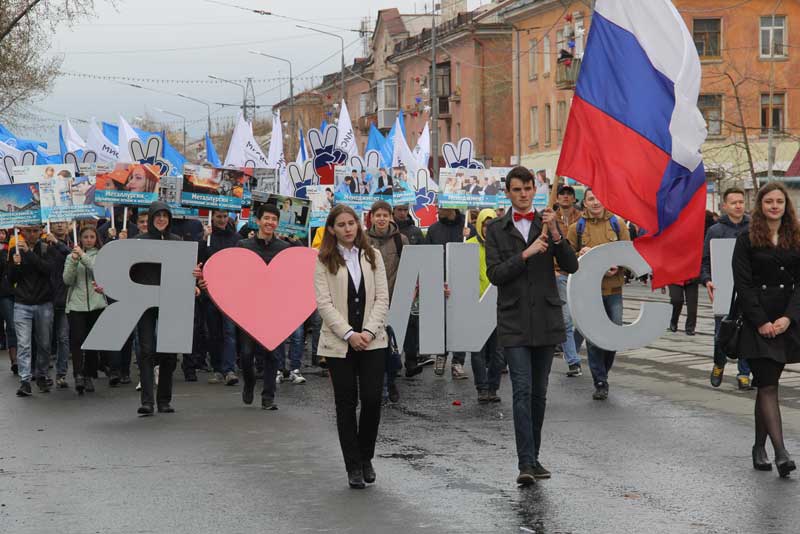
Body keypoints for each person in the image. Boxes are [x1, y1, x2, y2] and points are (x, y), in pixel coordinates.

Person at [485, 166, 578, 486]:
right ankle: (525, 462)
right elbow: (495, 274)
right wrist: (525, 254)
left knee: (539, 394)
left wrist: (554, 234)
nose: (523, 194)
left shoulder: (547, 221)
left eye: (528, 189)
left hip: (546, 319)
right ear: (508, 192)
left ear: (534, 191)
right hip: (513, 320)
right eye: (517, 189)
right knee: (521, 390)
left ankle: (534, 458)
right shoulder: (496, 228)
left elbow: (572, 264)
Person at [314, 204, 390, 489]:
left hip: (373, 340)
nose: (348, 228)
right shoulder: (324, 259)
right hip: (339, 344)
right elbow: (324, 304)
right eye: (341, 224)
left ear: (359, 225)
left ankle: (365, 455)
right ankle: (353, 466)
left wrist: (368, 331)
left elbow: (382, 297)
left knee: (371, 400)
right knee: (346, 404)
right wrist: (349, 334)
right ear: (332, 229)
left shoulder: (373, 256)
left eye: (352, 223)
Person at [732, 182, 798, 477]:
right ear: (760, 205)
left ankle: (759, 446)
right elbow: (742, 284)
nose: (774, 206)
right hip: (756, 320)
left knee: (767, 382)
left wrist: (789, 318)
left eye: (779, 202)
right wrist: (760, 321)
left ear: (786, 206)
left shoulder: (795, 236)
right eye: (769, 201)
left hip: (786, 320)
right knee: (768, 384)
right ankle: (781, 453)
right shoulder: (746, 238)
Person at [567, 189, 630, 400]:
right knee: (593, 338)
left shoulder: (617, 224)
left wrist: (618, 267)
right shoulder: (576, 228)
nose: (595, 202)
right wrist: (579, 255)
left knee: (615, 334)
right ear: (584, 203)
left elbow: (629, 254)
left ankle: (603, 369)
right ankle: (600, 381)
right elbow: (565, 260)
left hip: (613, 289)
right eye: (591, 199)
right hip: (588, 292)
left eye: (599, 197)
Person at [236, 203, 288, 410]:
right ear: (258, 221)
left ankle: (268, 397)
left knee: (273, 354)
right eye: (266, 218)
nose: (270, 222)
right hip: (249, 308)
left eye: (274, 219)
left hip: (275, 310)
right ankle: (249, 382)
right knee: (247, 354)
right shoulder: (243, 246)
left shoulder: (284, 249)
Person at [132, 201, 182, 415]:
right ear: (151, 218)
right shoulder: (138, 242)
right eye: (158, 215)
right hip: (144, 302)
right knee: (146, 350)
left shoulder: (178, 242)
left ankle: (164, 399)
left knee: (169, 353)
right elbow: (129, 271)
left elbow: (183, 272)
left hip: (170, 301)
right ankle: (147, 402)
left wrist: (194, 280)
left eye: (165, 215)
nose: (162, 219)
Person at [702, 187, 752, 390]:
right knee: (721, 333)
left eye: (741, 202)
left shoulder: (754, 228)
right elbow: (705, 262)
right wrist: (707, 280)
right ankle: (719, 363)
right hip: (723, 291)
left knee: (748, 333)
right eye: (734, 202)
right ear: (725, 206)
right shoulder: (715, 231)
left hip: (748, 290)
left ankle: (744, 374)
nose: (738, 205)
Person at [366, 200, 409, 403]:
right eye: (378, 215)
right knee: (374, 346)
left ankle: (390, 381)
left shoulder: (401, 240)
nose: (381, 219)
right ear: (372, 217)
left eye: (385, 215)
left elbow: (409, 269)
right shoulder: (363, 240)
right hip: (369, 302)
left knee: (392, 347)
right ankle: (380, 386)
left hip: (394, 299)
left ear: (390, 217)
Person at [425, 207, 471, 379]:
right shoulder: (433, 229)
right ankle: (440, 354)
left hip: (462, 282)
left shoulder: (467, 227)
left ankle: (458, 362)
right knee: (441, 322)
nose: (440, 210)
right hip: (440, 282)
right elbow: (428, 257)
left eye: (444, 207)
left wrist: (470, 235)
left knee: (460, 324)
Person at [11, 225, 56, 397]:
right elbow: (12, 278)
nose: (31, 234)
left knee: (44, 343)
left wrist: (29, 254)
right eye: (28, 231)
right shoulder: (16, 249)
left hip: (43, 303)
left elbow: (48, 270)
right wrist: (16, 265)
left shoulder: (46, 249)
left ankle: (42, 374)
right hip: (22, 303)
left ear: (40, 232)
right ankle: (25, 380)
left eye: (35, 231)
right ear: (22, 232)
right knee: (24, 344)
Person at [466, 208, 505, 403]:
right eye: (485, 224)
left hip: (498, 306)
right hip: (474, 307)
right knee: (477, 351)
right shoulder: (469, 246)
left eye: (492, 225)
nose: (488, 228)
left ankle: (493, 388)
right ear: (479, 224)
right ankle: (482, 388)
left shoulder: (502, 247)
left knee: (498, 352)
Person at [63, 226, 107, 395]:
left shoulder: (101, 256)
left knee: (92, 342)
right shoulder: (71, 256)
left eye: (92, 237)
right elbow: (67, 280)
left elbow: (98, 271)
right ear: (80, 239)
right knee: (78, 340)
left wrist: (83, 256)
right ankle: (78, 375)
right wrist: (74, 260)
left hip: (96, 304)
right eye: (85, 237)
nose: (89, 239)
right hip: (76, 305)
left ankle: (89, 374)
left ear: (96, 239)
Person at [200, 210, 241, 386]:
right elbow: (199, 261)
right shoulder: (206, 238)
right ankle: (217, 369)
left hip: (231, 294)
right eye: (218, 216)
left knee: (230, 332)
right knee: (214, 333)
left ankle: (229, 369)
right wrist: (203, 239)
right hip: (210, 294)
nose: (222, 220)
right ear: (212, 217)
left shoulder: (236, 239)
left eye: (225, 216)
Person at [554, 185, 583, 376]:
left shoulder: (582, 219)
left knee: (583, 320)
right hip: (559, 274)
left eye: (569, 194)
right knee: (566, 319)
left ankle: (569, 347)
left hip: (580, 273)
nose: (565, 197)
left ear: (574, 199)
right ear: (556, 198)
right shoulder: (549, 218)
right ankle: (573, 361)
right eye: (562, 194)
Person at [46, 221, 73, 388]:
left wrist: (57, 243)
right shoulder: (43, 246)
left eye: (62, 223)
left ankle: (61, 373)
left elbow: (71, 255)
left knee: (63, 337)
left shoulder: (71, 243)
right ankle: (41, 372)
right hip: (46, 298)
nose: (60, 226)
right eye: (56, 224)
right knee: (45, 339)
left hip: (64, 298)